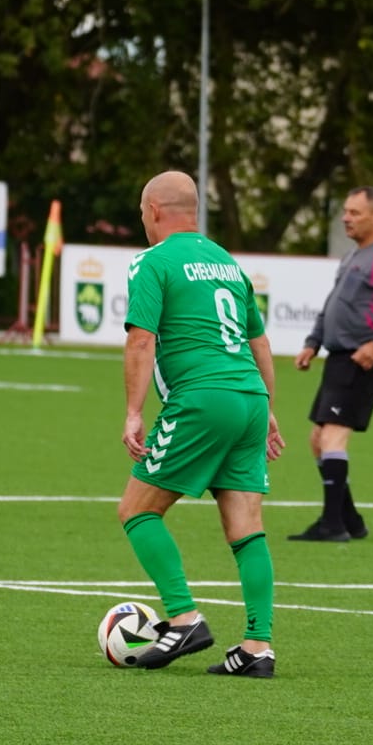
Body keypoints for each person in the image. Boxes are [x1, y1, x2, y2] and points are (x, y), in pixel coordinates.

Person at [116, 170, 285, 677]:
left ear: (154, 211)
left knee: (137, 510)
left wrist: (133, 412)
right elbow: (259, 342)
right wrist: (268, 410)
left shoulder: (152, 261)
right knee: (246, 526)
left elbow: (141, 340)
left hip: (202, 399)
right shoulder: (227, 262)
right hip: (249, 398)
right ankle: (257, 647)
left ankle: (183, 617)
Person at [289, 186, 373, 542]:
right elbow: (333, 304)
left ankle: (333, 525)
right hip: (338, 358)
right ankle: (350, 520)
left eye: (354, 212)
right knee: (318, 440)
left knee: (332, 435)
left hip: (360, 361)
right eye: (345, 211)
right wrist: (313, 342)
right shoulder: (352, 256)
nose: (346, 218)